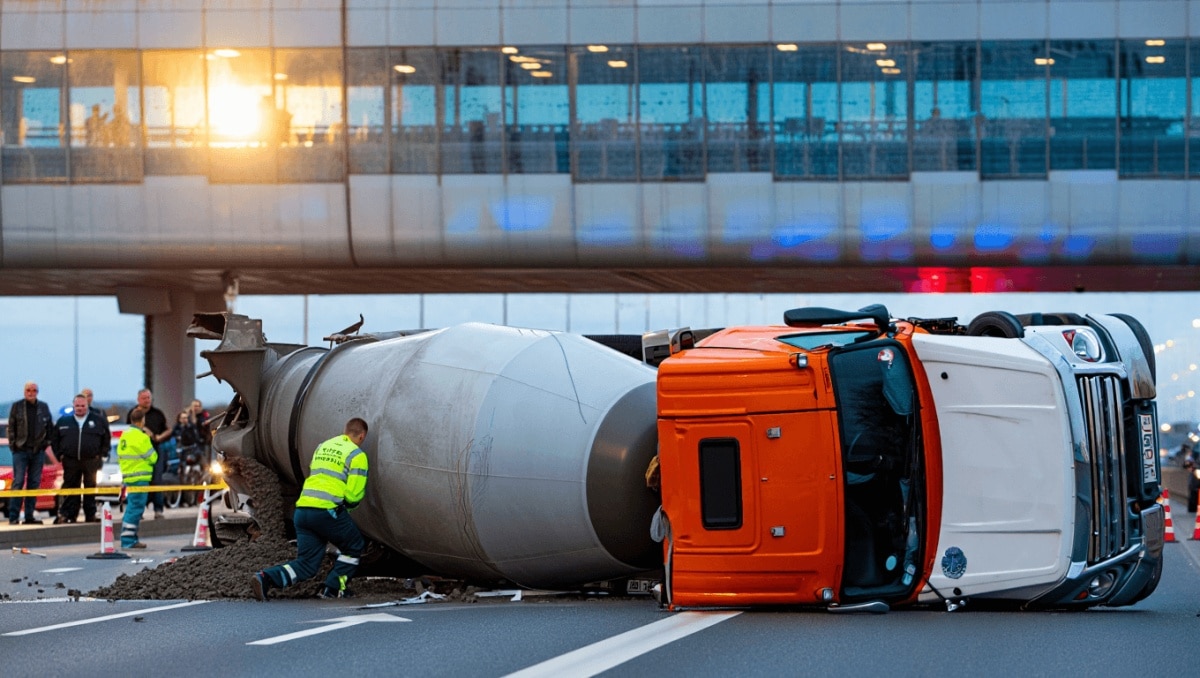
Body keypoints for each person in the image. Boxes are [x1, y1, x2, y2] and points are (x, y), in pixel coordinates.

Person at [253, 418, 370, 601]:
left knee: (306, 564)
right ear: (362, 436)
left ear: (345, 431)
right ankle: (332, 588)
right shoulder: (357, 455)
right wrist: (347, 509)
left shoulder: (322, 447)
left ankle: (266, 577)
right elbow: (353, 495)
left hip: (303, 511)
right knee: (354, 546)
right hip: (327, 511)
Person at [50, 394, 110, 524]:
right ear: (73, 406)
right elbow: (55, 439)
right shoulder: (63, 421)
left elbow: (106, 438)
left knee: (90, 487)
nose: (80, 408)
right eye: (77, 406)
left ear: (87, 406)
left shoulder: (98, 420)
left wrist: (102, 454)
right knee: (70, 487)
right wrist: (59, 455)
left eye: (82, 406)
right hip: (70, 461)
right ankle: (68, 515)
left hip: (91, 461)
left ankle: (91, 514)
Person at [7, 381, 56, 525]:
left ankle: (29, 516)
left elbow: (50, 428)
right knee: (18, 482)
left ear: (37, 392)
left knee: (34, 483)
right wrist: (13, 445)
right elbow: (11, 427)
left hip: (37, 451)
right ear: (24, 391)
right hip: (20, 451)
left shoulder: (43, 407)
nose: (31, 392)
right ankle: (13, 516)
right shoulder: (17, 407)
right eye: (28, 390)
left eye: (34, 390)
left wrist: (45, 444)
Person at [126, 389, 171, 519]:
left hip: (154, 451)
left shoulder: (158, 414)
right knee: (140, 483)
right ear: (138, 399)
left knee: (157, 481)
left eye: (149, 397)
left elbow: (168, 430)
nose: (147, 400)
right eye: (144, 398)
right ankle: (139, 511)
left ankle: (158, 510)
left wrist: (158, 437)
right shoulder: (133, 414)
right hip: (137, 455)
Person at [117, 408, 156, 549]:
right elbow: (153, 457)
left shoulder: (124, 436)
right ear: (142, 421)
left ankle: (129, 538)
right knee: (136, 509)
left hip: (128, 477)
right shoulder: (142, 437)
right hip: (140, 478)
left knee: (131, 508)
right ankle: (128, 540)